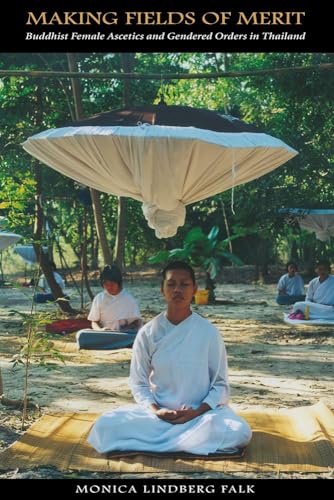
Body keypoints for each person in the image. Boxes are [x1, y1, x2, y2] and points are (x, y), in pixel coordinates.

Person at [87, 261, 252, 455]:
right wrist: (156, 410)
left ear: (194, 290)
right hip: (157, 417)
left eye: (184, 284)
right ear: (162, 290)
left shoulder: (208, 332)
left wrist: (197, 411)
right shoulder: (148, 332)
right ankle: (186, 442)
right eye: (171, 284)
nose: (177, 290)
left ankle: (163, 442)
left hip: (201, 416)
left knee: (239, 432)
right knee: (104, 426)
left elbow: (221, 385)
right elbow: (138, 383)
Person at [76, 265, 142, 350]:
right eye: (106, 284)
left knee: (137, 337)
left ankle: (116, 343)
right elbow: (94, 322)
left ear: (119, 283)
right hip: (105, 335)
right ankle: (119, 344)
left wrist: (122, 330)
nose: (109, 287)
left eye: (112, 284)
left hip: (123, 334)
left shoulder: (128, 298)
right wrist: (100, 330)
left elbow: (136, 323)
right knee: (81, 335)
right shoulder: (99, 298)